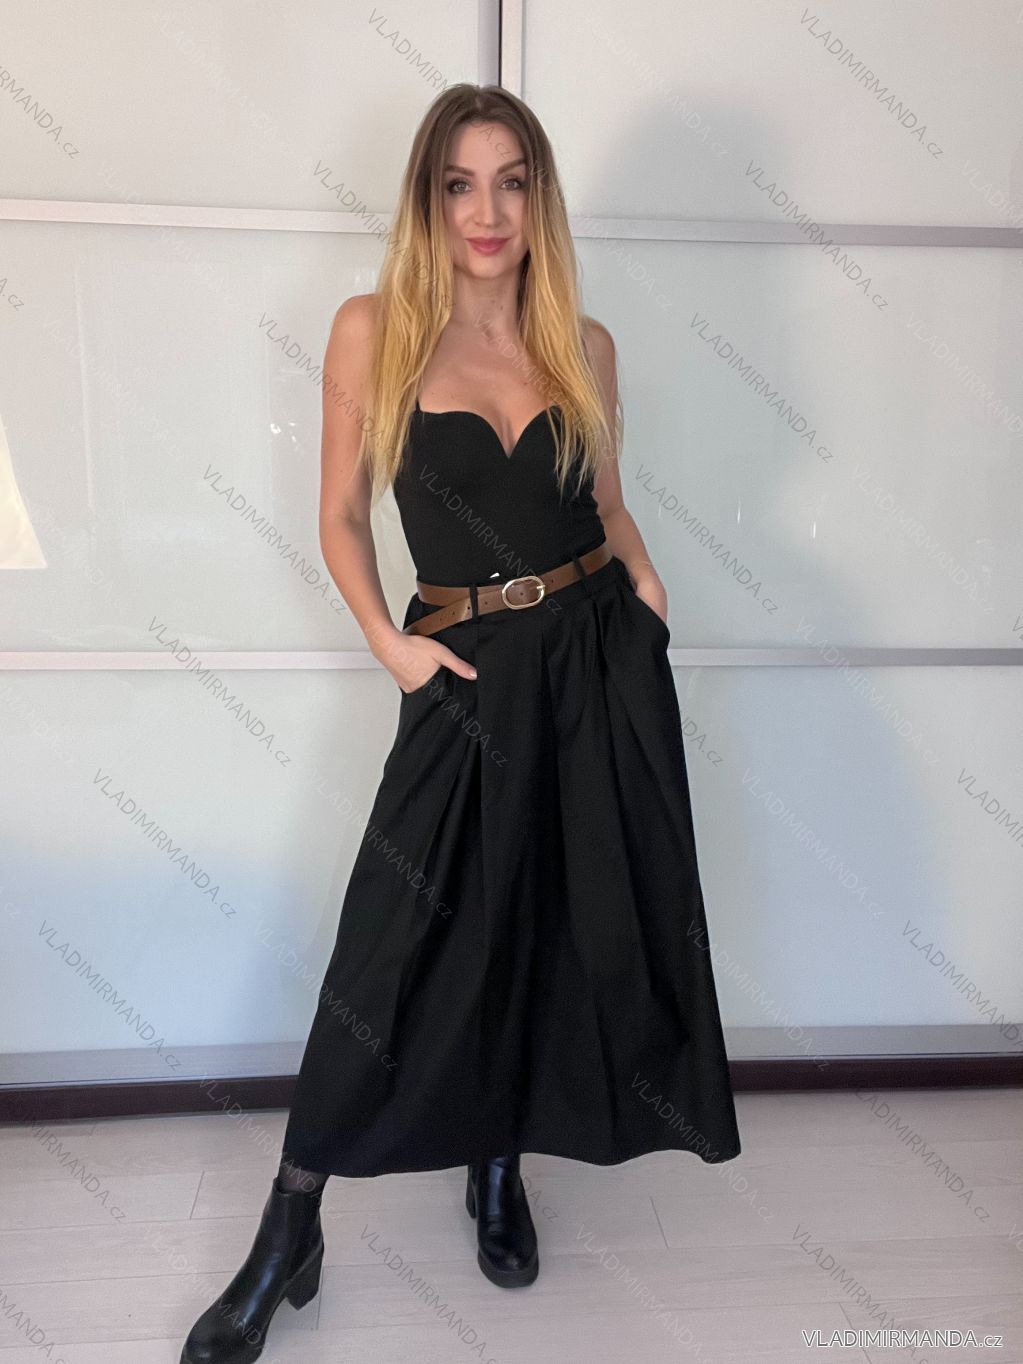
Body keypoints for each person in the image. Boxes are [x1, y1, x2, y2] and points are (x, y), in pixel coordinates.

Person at [180, 82, 740, 1364]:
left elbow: (609, 502)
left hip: (594, 660)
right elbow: (339, 514)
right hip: (462, 669)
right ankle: (288, 1227)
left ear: (540, 199)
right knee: (388, 947)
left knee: (549, 916)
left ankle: (499, 1164)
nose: (487, 211)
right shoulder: (374, 329)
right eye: (459, 183)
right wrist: (392, 646)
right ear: (428, 198)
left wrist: (649, 590)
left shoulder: (584, 345)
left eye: (512, 181)